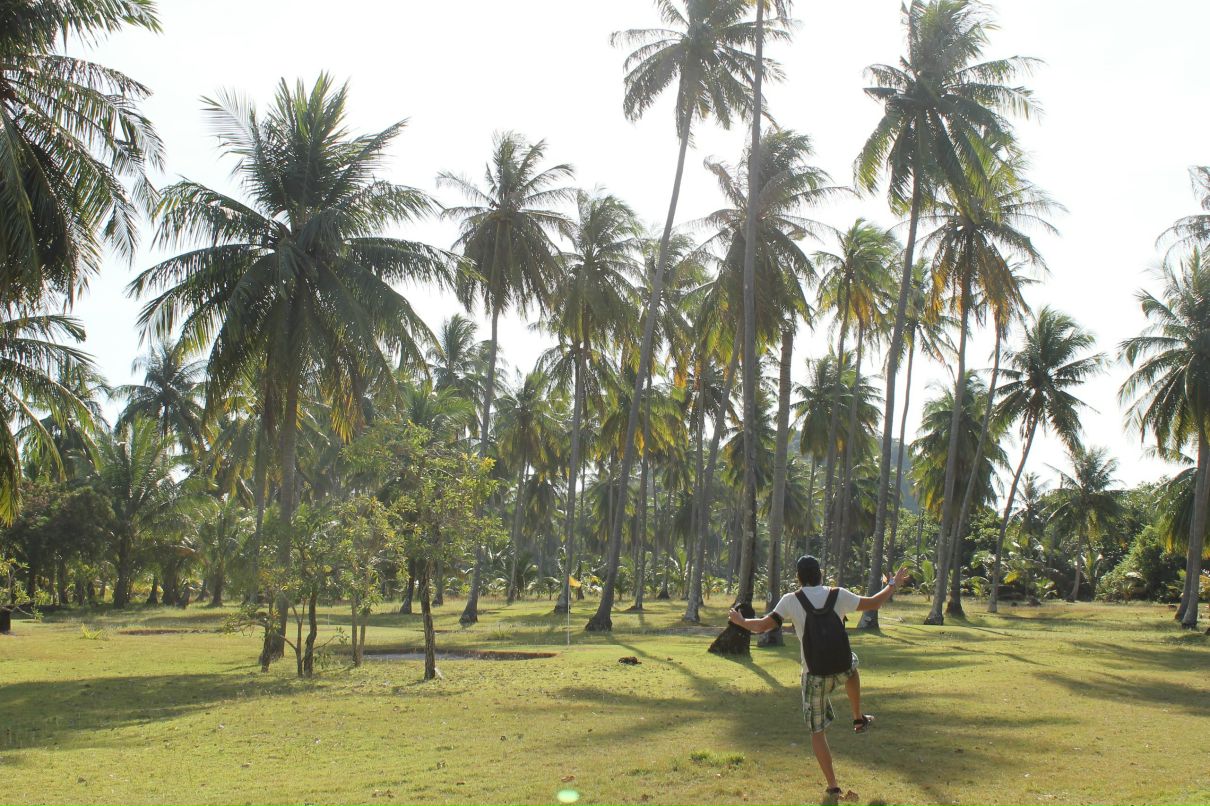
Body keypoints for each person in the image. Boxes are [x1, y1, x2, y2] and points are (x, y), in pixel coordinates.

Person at [728, 555, 910, 802]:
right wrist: (892, 584)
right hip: (840, 667)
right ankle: (858, 717)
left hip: (813, 675)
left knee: (817, 732)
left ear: (799, 577)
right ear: (821, 574)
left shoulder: (791, 600)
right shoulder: (838, 594)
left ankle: (833, 786)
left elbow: (762, 626)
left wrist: (741, 621)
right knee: (853, 665)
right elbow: (874, 604)